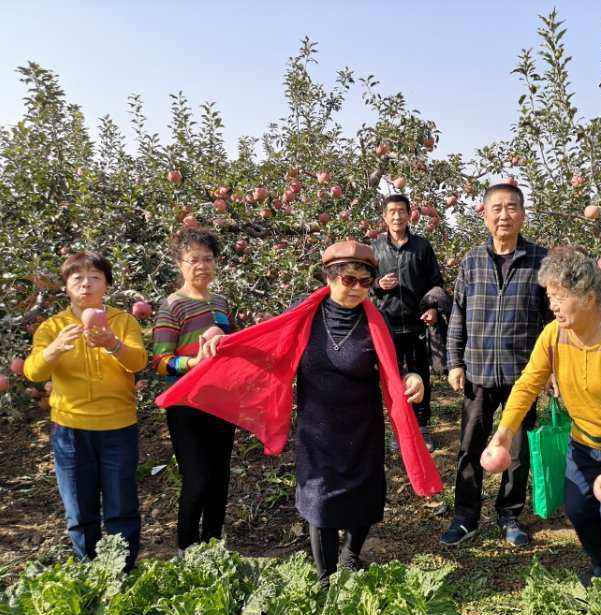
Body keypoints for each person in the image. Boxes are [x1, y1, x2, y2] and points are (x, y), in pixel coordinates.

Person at [156, 240, 442, 587]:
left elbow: (395, 366)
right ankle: (325, 577)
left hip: (362, 425)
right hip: (317, 426)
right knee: (319, 501)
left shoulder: (376, 322)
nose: (355, 288)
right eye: (346, 279)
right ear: (328, 277)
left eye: (364, 281)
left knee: (364, 495)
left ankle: (351, 555)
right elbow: (267, 346)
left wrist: (412, 378)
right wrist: (226, 346)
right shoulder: (304, 315)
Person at [493, 246, 601, 607]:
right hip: (584, 440)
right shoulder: (553, 335)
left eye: (560, 297)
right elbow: (527, 384)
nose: (553, 305)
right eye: (549, 296)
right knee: (579, 508)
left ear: (588, 298)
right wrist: (505, 432)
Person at [441, 183, 551, 548]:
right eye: (497, 209)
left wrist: (551, 369)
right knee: (470, 446)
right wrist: (454, 361)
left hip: (524, 375)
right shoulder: (472, 260)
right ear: (484, 214)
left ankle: (509, 514)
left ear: (523, 213)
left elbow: (554, 320)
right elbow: (458, 314)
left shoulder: (541, 260)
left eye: (512, 208)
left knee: (517, 452)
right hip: (477, 372)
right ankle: (465, 516)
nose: (504, 215)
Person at [24, 251, 148, 571]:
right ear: (66, 286)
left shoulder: (123, 322)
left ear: (106, 284)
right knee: (79, 509)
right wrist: (54, 350)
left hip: (118, 427)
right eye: (77, 277)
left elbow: (138, 362)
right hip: (70, 428)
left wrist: (112, 344)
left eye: (94, 277)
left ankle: (122, 571)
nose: (86, 284)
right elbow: (33, 372)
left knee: (121, 505)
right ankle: (88, 570)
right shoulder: (53, 327)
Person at [152, 228, 237, 556]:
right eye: (194, 260)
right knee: (197, 479)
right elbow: (160, 362)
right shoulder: (172, 306)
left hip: (220, 401)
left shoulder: (220, 303)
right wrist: (193, 362)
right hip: (186, 404)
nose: (202, 265)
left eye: (208, 259)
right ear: (180, 264)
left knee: (219, 481)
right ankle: (186, 549)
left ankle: (214, 548)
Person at [372, 194, 445, 451]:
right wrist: (378, 285)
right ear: (384, 216)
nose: (396, 216)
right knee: (394, 379)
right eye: (391, 211)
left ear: (409, 214)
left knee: (421, 376)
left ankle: (422, 428)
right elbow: (366, 286)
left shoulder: (421, 247)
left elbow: (436, 282)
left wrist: (434, 309)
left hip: (417, 324)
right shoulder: (376, 249)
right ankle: (400, 429)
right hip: (387, 325)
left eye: (401, 211)